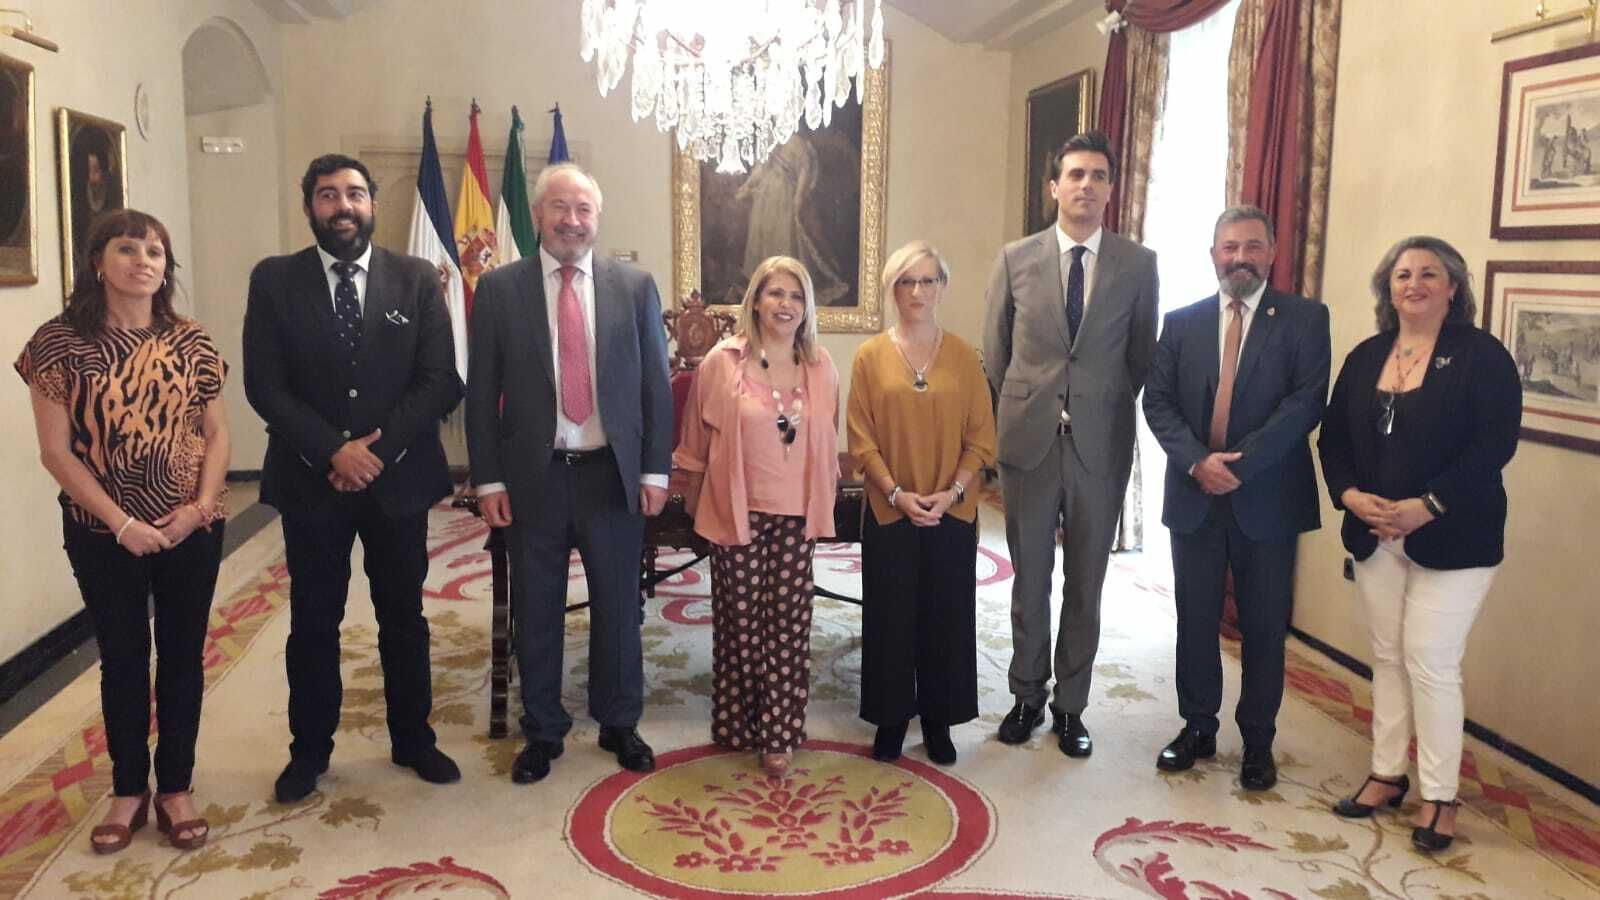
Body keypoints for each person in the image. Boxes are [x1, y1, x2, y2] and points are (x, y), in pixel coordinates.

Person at [244, 154, 463, 803]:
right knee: (314, 620)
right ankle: (308, 751)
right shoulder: (275, 281)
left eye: (356, 194)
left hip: (399, 480)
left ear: (371, 204)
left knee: (405, 615)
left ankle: (412, 738)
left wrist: (378, 449)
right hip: (311, 481)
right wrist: (333, 451)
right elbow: (265, 384)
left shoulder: (417, 278)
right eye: (329, 194)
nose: (344, 205)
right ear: (309, 204)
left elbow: (440, 379)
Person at [18, 210, 228, 853]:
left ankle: (177, 787)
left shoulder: (191, 340)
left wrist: (200, 506)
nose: (144, 261)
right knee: (124, 658)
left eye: (156, 252)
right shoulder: (58, 343)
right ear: (98, 261)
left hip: (191, 523)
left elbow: (216, 434)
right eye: (128, 248)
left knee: (184, 657)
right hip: (101, 529)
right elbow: (56, 452)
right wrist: (123, 523)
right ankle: (128, 790)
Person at [465, 162, 673, 784]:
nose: (571, 221)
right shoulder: (501, 290)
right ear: (537, 217)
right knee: (537, 609)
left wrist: (655, 470)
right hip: (535, 477)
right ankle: (543, 729)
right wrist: (488, 480)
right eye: (559, 208)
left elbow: (655, 388)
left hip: (611, 475)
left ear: (597, 218)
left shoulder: (633, 286)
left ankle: (618, 720)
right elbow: (482, 394)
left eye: (583, 209)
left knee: (617, 607)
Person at [1319, 236, 1521, 852]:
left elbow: (1493, 446)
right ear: (1389, 288)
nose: (1414, 284)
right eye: (1403, 274)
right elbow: (1333, 439)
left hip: (1455, 536)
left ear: (1452, 287)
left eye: (1429, 274)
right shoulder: (1367, 355)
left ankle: (1440, 797)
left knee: (1430, 659)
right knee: (1387, 655)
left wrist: (1426, 507)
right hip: (1376, 534)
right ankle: (1387, 775)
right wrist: (1350, 494)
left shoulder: (1481, 356)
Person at [982, 130, 1159, 757]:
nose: (1086, 184)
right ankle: (1027, 694)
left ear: (1111, 190)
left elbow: (1140, 357)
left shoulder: (1139, 265)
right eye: (1075, 174)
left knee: (1087, 582)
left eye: (1099, 175)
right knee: (1030, 579)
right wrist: (1034, 407)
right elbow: (995, 357)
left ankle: (1070, 707)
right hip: (1029, 445)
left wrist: (1093, 404)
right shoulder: (1015, 258)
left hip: (1100, 445)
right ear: (1054, 186)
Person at [1142, 206, 1331, 790]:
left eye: (1252, 246)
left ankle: (1257, 742)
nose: (1240, 257)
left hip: (1267, 497)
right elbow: (1158, 402)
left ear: (1272, 254)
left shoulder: (1304, 319)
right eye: (1229, 247)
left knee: (1264, 625)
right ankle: (1198, 726)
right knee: (1194, 619)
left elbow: (1304, 403)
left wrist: (1238, 467)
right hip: (1195, 492)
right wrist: (1198, 461)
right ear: (1213, 255)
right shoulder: (1182, 322)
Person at [674, 255, 840, 775]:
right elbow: (696, 443)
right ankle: (737, 722)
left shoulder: (821, 365)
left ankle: (780, 732)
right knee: (739, 622)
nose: (785, 305)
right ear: (756, 301)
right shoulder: (722, 363)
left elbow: (828, 443)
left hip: (796, 515)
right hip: (735, 509)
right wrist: (695, 500)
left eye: (795, 295)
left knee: (788, 624)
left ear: (806, 306)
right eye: (775, 294)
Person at [847, 241, 996, 766]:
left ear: (943, 288)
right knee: (889, 618)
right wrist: (895, 493)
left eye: (928, 281)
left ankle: (938, 720)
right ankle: (890, 718)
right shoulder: (869, 356)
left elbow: (982, 438)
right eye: (907, 281)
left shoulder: (964, 356)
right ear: (892, 289)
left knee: (946, 617)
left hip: (951, 510)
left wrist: (953, 490)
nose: (917, 291)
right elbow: (861, 439)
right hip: (890, 509)